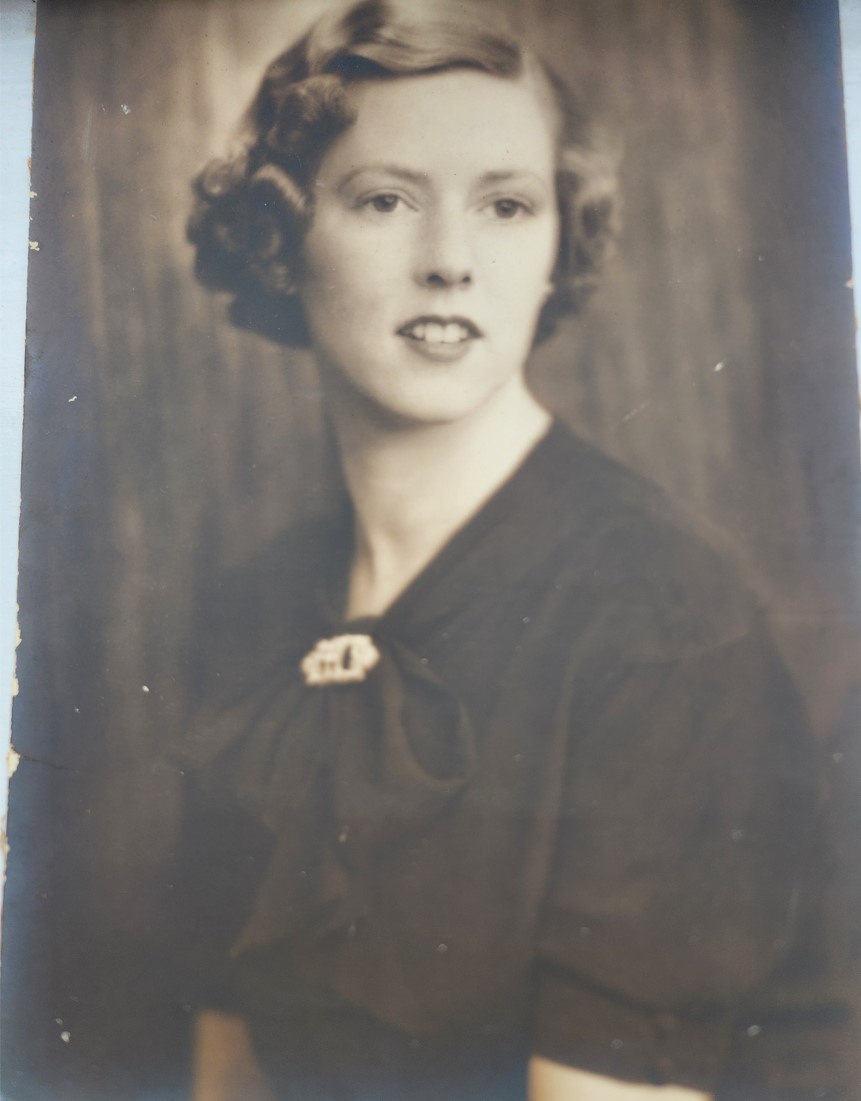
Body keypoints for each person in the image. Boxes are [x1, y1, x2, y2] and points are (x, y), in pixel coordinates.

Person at [170, 1, 821, 1098]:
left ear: (558, 244)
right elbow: (231, 1068)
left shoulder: (661, 617)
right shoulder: (252, 605)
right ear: (282, 238)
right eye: (385, 200)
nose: (450, 262)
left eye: (506, 205)